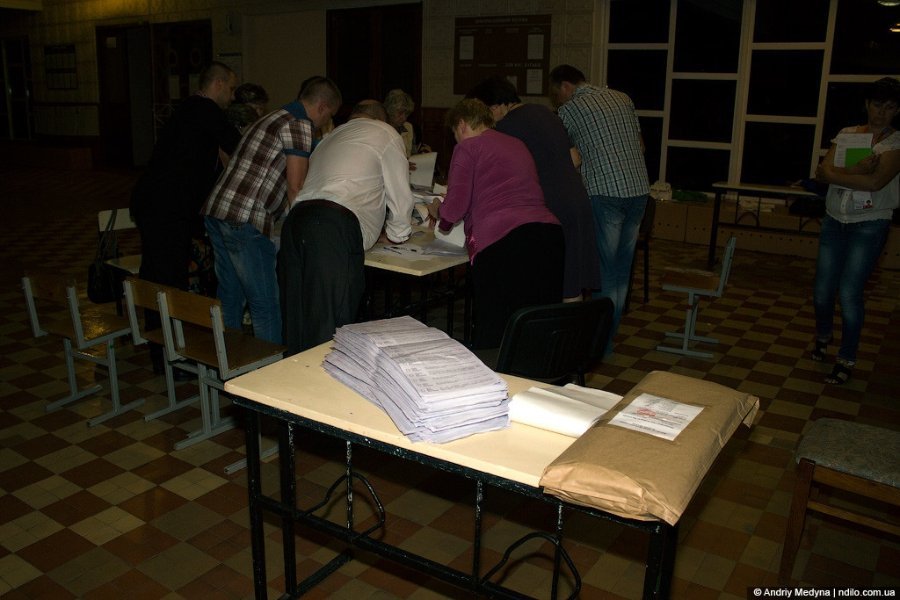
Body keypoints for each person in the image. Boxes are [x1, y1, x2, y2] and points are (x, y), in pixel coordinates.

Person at [202, 76, 342, 345]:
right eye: (329, 117)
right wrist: (306, 232)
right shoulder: (300, 124)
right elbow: (296, 188)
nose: (326, 124)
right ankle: (270, 367)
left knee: (230, 297)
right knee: (265, 303)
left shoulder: (273, 117)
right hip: (244, 219)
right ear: (322, 107)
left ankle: (228, 361)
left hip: (218, 211)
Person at [130, 61, 241, 374]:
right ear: (218, 84)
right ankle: (170, 357)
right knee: (169, 282)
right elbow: (240, 147)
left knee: (156, 277)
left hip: (154, 203)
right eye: (231, 88)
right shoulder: (207, 110)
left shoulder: (189, 108)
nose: (232, 96)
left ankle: (161, 352)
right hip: (168, 208)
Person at [279, 100, 415, 355]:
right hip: (332, 227)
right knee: (330, 327)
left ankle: (295, 379)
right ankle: (326, 380)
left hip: (296, 222)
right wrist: (397, 234)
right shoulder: (385, 133)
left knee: (296, 323)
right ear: (381, 119)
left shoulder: (329, 138)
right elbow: (400, 196)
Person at [428, 99, 563, 350]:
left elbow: (455, 207)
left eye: (455, 134)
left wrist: (439, 211)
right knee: (538, 326)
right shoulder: (516, 143)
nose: (457, 140)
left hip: (505, 242)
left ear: (461, 124)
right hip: (548, 235)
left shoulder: (468, 147)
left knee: (496, 329)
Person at [466, 75, 600, 301]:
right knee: (571, 281)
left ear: (496, 107)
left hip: (550, 206)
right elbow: (575, 158)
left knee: (547, 282)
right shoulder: (545, 112)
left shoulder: (506, 127)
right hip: (576, 198)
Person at [549, 64, 649, 351]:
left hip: (606, 193)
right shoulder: (622, 98)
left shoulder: (570, 110)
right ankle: (608, 337)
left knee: (605, 272)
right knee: (621, 271)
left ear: (565, 86)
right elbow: (641, 147)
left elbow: (568, 158)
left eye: (556, 94)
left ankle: (599, 342)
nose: (557, 100)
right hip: (639, 190)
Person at [811, 77, 900, 385]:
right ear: (866, 104)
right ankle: (823, 336)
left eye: (890, 107)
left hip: (870, 223)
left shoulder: (895, 143)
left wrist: (838, 174)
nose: (881, 113)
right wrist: (855, 171)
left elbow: (875, 183)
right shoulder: (848, 134)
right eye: (877, 105)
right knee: (822, 291)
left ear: (897, 111)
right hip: (835, 219)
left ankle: (846, 358)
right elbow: (820, 173)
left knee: (849, 292)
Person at [384, 88, 429, 157]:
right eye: (400, 113)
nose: (404, 118)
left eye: (407, 113)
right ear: (390, 110)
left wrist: (423, 153)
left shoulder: (409, 128)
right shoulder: (382, 129)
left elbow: (414, 153)